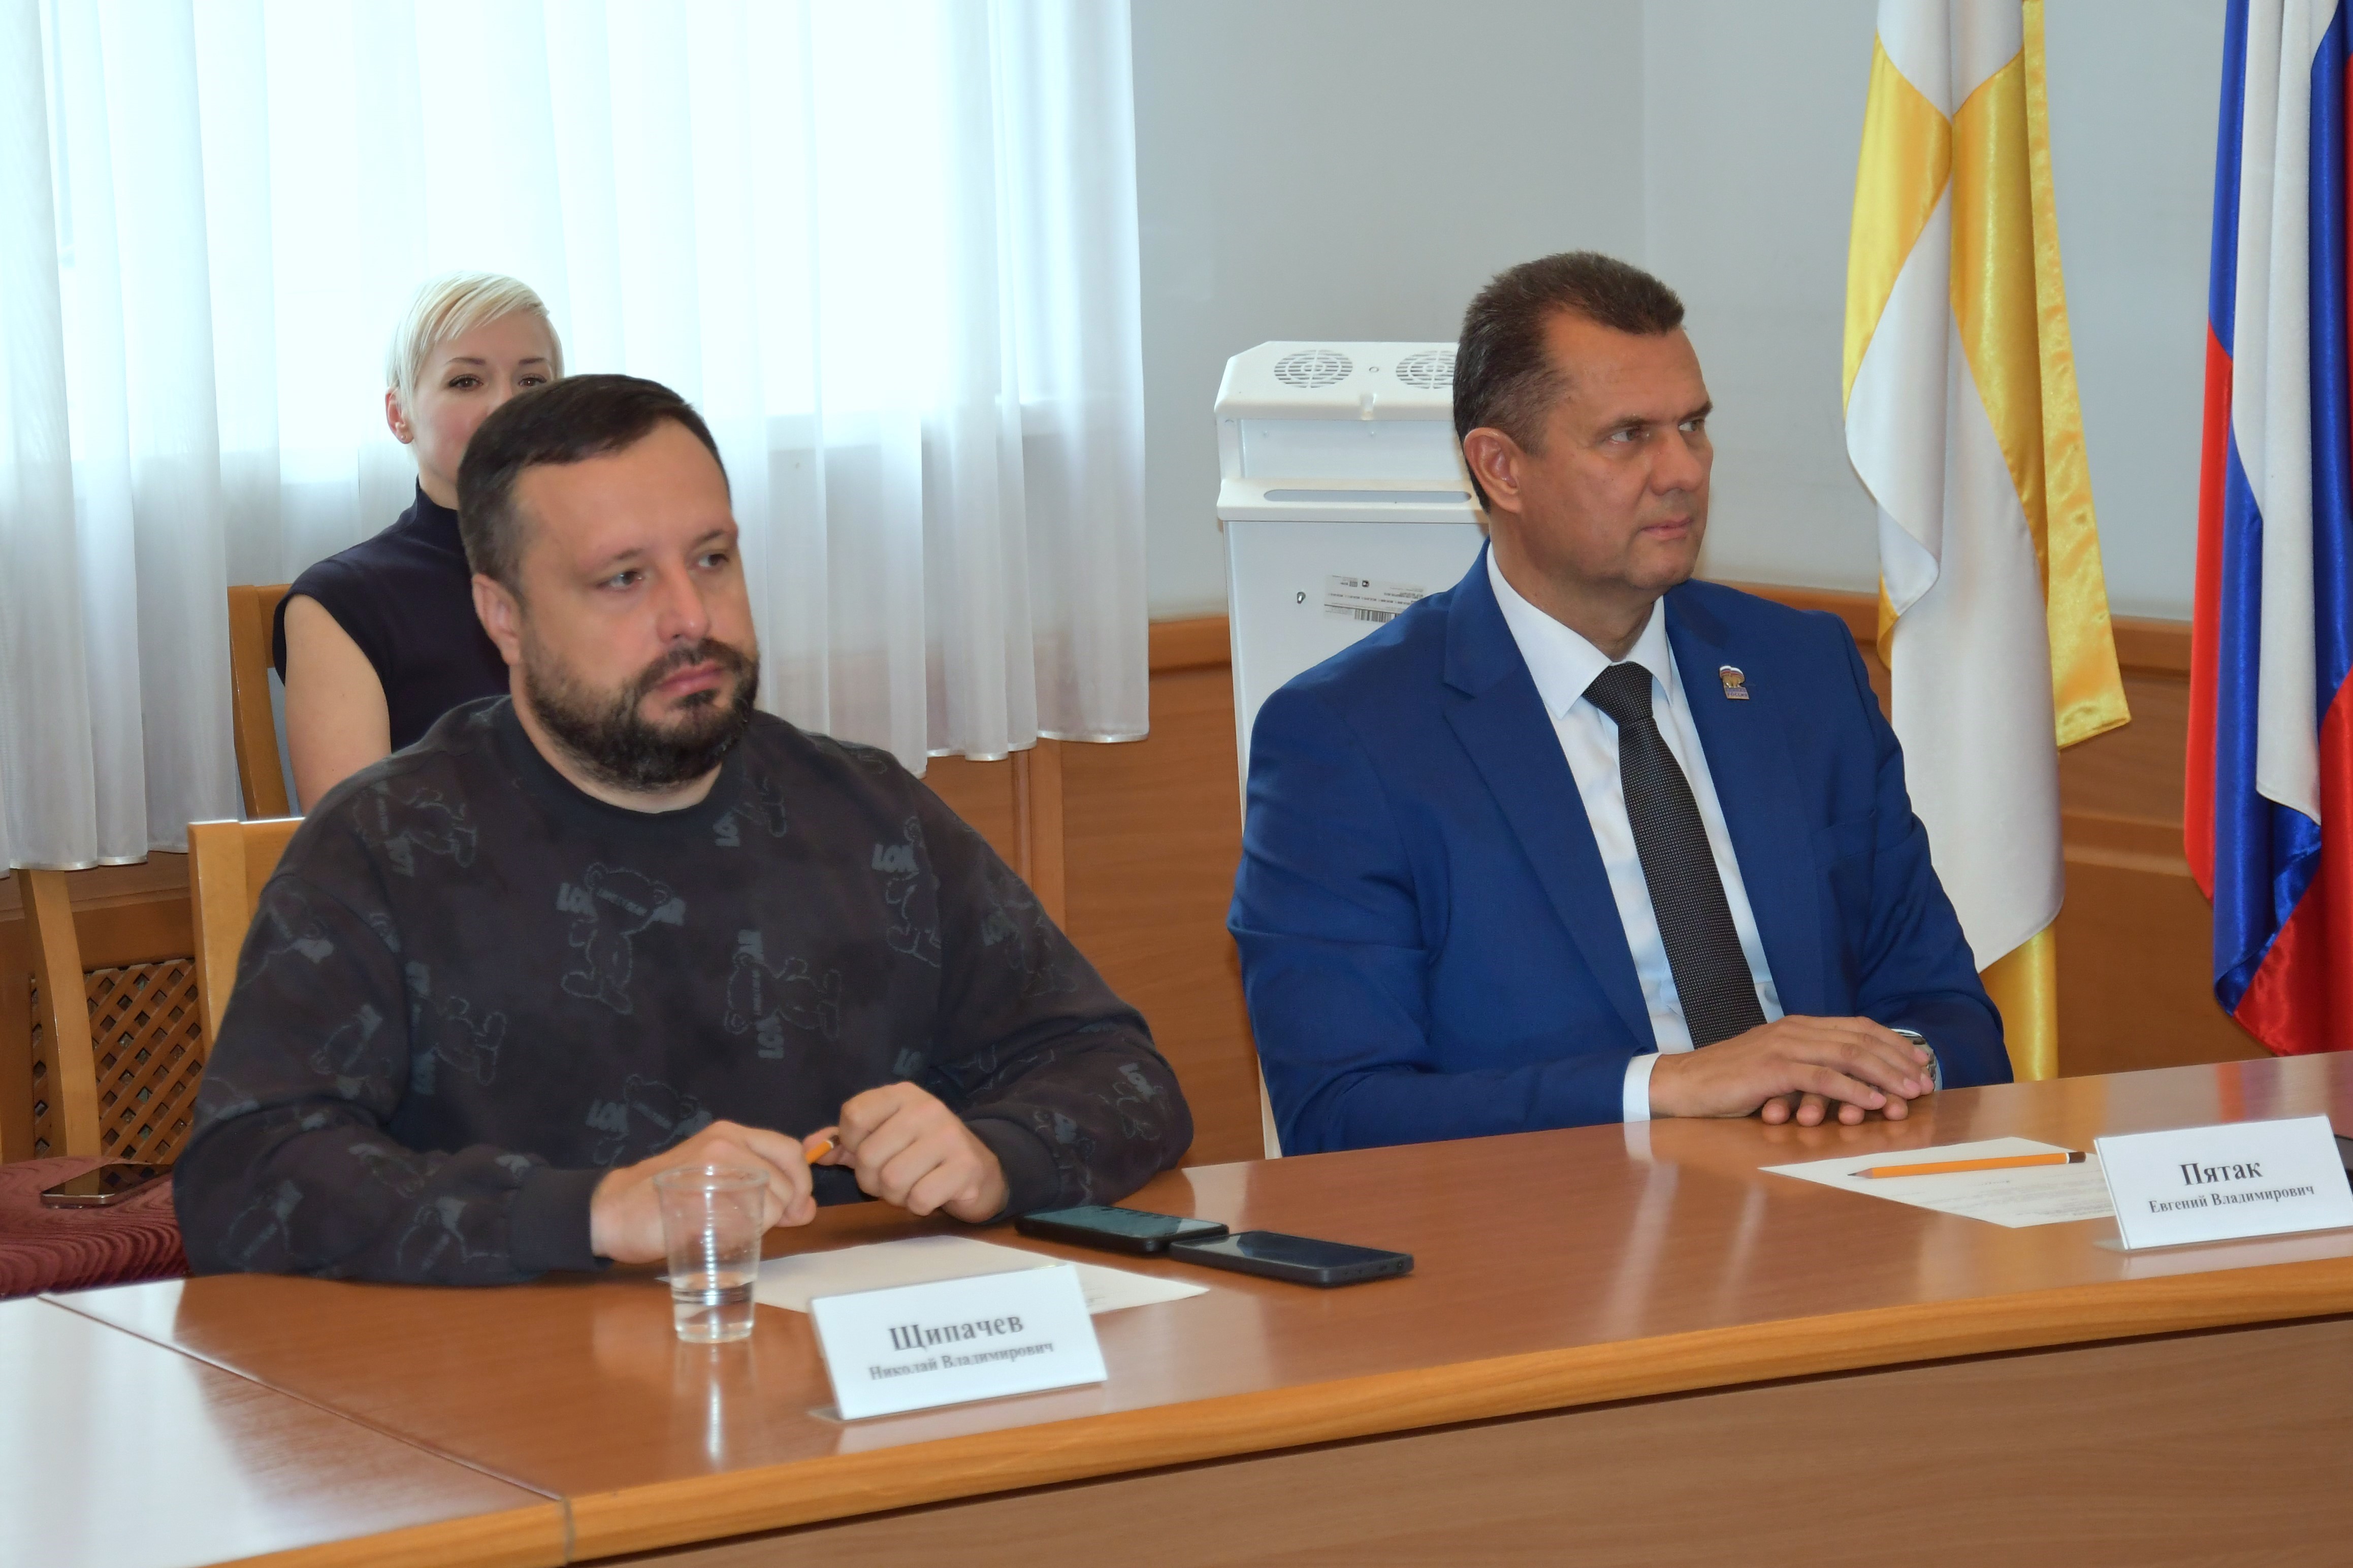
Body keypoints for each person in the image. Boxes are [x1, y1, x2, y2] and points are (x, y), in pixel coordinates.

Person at [178, 374, 1191, 1283]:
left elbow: (1122, 1073)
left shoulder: (869, 812)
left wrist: (994, 1155)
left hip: (845, 1374)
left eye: (712, 558)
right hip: (522, 1394)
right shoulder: (387, 843)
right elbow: (248, 1172)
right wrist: (592, 1212)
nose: (691, 616)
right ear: (503, 616)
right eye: (624, 578)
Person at [1230, 251, 2009, 1156]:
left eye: (1693, 425)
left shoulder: (1801, 671)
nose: (1682, 470)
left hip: (1834, 1183)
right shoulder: (1347, 739)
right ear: (1500, 469)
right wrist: (1667, 1086)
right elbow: (1340, 1113)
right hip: (1562, 1220)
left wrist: (1885, 1068)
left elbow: (1950, 1016)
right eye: (1627, 436)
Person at [274, 273, 563, 809]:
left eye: (532, 381)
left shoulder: (615, 569)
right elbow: (353, 838)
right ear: (399, 414)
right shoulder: (342, 601)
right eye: (466, 381)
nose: (506, 406)